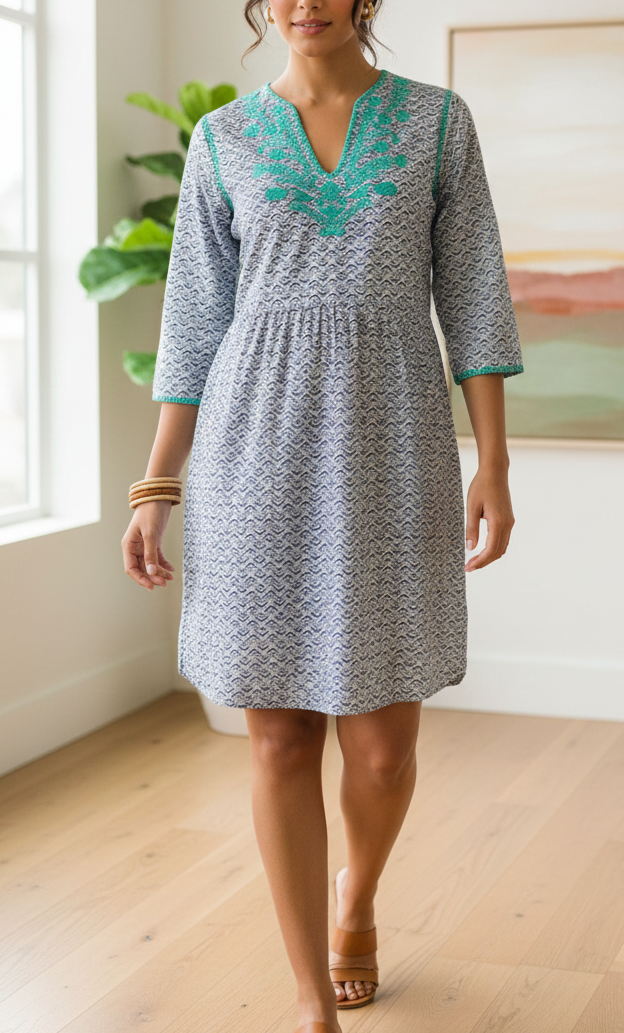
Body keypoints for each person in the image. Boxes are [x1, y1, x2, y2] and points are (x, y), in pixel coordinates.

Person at [121, 2, 523, 1031]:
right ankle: (311, 997)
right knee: (281, 739)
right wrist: (157, 486)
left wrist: (495, 461)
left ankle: (357, 894)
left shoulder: (438, 124)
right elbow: (194, 325)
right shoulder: (224, 140)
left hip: (394, 449)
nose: (305, 3)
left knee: (383, 747)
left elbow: (474, 295)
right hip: (251, 455)